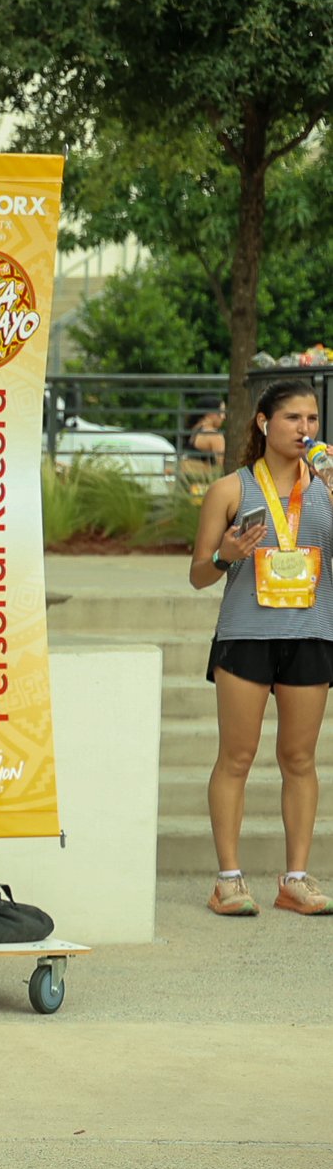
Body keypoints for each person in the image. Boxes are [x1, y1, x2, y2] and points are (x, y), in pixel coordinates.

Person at [188, 377, 333, 915]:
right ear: (264, 423)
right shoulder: (231, 489)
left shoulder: (325, 485)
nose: (305, 428)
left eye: (313, 419)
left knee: (300, 758)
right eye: (294, 418)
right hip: (246, 634)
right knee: (237, 757)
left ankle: (295, 879)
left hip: (312, 632)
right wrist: (226, 554)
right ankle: (228, 880)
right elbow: (199, 575)